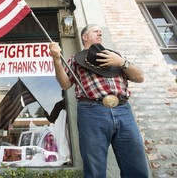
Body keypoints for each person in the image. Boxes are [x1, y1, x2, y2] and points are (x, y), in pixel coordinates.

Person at [49, 24, 149, 177]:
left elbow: (140, 77)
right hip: (92, 111)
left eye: (101, 32)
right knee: (94, 168)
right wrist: (56, 59)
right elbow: (65, 84)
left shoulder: (117, 57)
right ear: (85, 37)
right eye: (96, 31)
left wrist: (122, 62)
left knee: (136, 166)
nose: (100, 33)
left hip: (123, 110)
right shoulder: (75, 60)